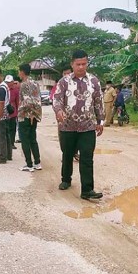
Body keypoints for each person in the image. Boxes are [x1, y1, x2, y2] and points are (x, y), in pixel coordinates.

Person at [53, 49, 105, 200]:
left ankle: (87, 190)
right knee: (67, 154)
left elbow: (98, 102)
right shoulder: (63, 82)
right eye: (78, 64)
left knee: (87, 157)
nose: (81, 67)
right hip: (67, 126)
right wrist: (58, 111)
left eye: (84, 64)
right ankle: (66, 179)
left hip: (88, 126)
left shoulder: (94, 81)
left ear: (87, 63)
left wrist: (100, 121)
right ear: (72, 64)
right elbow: (57, 99)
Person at [18, 63, 42, 172]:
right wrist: (35, 114)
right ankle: (37, 162)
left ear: (22, 72)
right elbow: (37, 100)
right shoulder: (35, 83)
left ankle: (29, 164)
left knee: (25, 140)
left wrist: (30, 113)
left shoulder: (23, 84)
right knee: (33, 139)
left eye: (19, 71)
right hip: (35, 115)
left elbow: (27, 101)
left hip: (25, 115)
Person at [5, 75, 20, 150]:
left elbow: (17, 102)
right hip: (5, 112)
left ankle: (12, 143)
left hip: (13, 112)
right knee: (5, 129)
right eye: (7, 82)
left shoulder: (15, 90)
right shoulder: (4, 89)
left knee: (12, 128)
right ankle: (6, 143)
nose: (8, 83)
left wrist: (17, 112)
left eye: (10, 82)